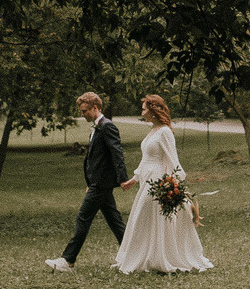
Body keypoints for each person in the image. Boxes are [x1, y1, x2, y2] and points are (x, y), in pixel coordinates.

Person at [113, 94, 213, 274]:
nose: (141, 112)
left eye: (144, 109)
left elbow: (173, 160)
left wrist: (175, 185)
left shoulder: (165, 132)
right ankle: (144, 256)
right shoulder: (152, 131)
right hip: (146, 179)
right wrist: (134, 179)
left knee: (151, 214)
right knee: (142, 216)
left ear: (153, 110)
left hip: (158, 179)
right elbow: (145, 159)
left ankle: (161, 256)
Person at [46, 93, 127, 271]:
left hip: (101, 184)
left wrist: (122, 178)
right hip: (97, 183)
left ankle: (68, 260)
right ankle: (132, 256)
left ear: (95, 108)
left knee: (83, 218)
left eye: (84, 111)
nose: (82, 114)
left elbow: (117, 153)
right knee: (115, 221)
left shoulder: (107, 126)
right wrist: (90, 182)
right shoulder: (97, 127)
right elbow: (96, 159)